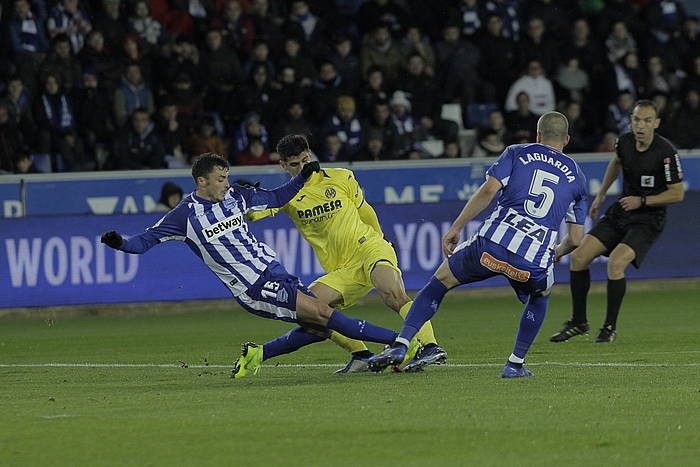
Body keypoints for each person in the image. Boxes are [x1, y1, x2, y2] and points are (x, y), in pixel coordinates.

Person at [100, 153, 413, 380]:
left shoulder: (238, 195)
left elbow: (278, 196)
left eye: (227, 177)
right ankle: (401, 343)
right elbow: (145, 241)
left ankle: (259, 354)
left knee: (318, 329)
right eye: (220, 179)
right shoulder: (184, 216)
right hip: (252, 286)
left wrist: (303, 177)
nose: (226, 183)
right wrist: (120, 242)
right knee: (322, 313)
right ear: (202, 181)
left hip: (274, 271)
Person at [368, 112, 588, 377]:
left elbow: (488, 190)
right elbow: (576, 239)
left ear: (538, 135)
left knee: (439, 282)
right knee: (540, 296)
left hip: (490, 247)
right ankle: (514, 364)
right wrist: (557, 252)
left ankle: (402, 344)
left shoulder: (517, 152)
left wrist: (457, 226)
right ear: (566, 140)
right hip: (531, 261)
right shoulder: (577, 176)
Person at [247, 135, 447, 373]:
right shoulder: (286, 196)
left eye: (304, 160)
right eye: (294, 164)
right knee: (309, 313)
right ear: (283, 165)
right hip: (341, 270)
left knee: (392, 292)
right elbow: (252, 214)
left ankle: (430, 347)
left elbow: (365, 210)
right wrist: (240, 202)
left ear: (309, 155)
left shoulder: (341, 176)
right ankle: (361, 355)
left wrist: (381, 238)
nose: (302, 168)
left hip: (369, 247)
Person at [550, 100, 685, 343]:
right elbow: (617, 162)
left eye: (646, 120)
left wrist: (642, 201)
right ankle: (579, 322)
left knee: (615, 262)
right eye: (636, 119)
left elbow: (677, 193)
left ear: (656, 123)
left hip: (648, 219)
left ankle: (609, 327)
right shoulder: (623, 142)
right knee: (579, 257)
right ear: (630, 120)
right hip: (622, 211)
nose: (640, 125)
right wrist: (601, 194)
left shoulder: (666, 153)